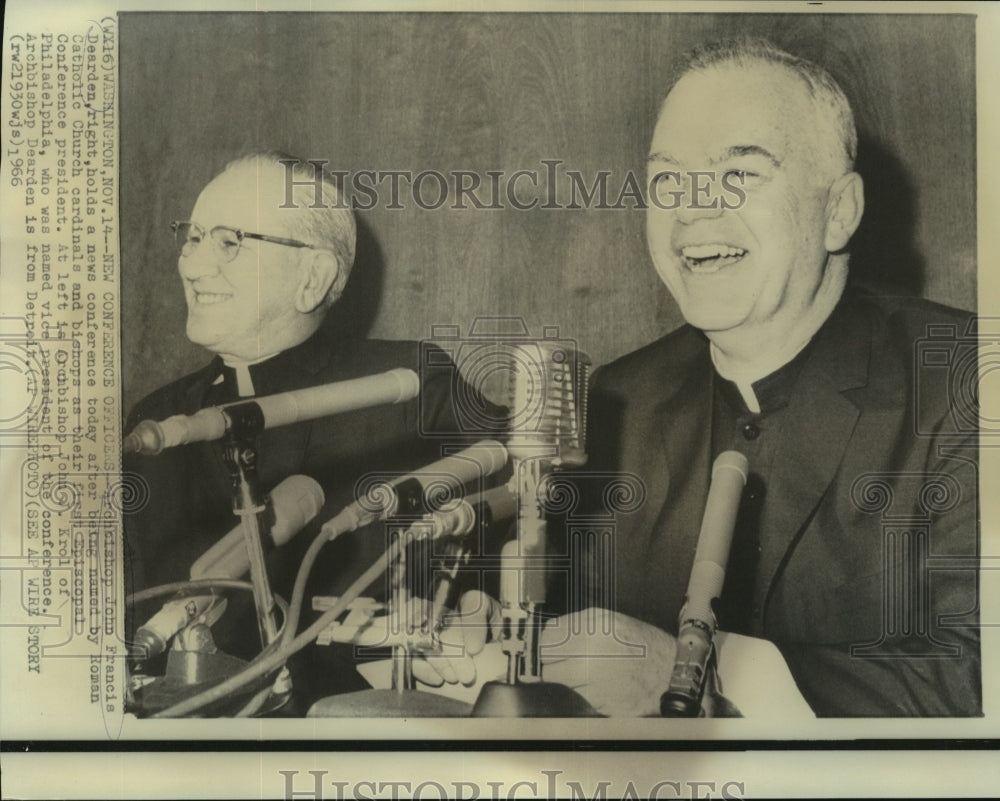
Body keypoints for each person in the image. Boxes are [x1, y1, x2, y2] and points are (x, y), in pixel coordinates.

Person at [418, 40, 980, 717]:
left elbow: (975, 682)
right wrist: (499, 648)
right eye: (666, 180)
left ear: (839, 210)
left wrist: (697, 673)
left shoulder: (965, 379)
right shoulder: (607, 405)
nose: (692, 210)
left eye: (739, 173)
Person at [123, 153, 502, 712]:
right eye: (193, 236)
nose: (192, 265)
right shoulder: (157, 421)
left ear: (313, 277)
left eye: (229, 241)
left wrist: (470, 609)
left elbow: (543, 514)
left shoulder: (413, 385)